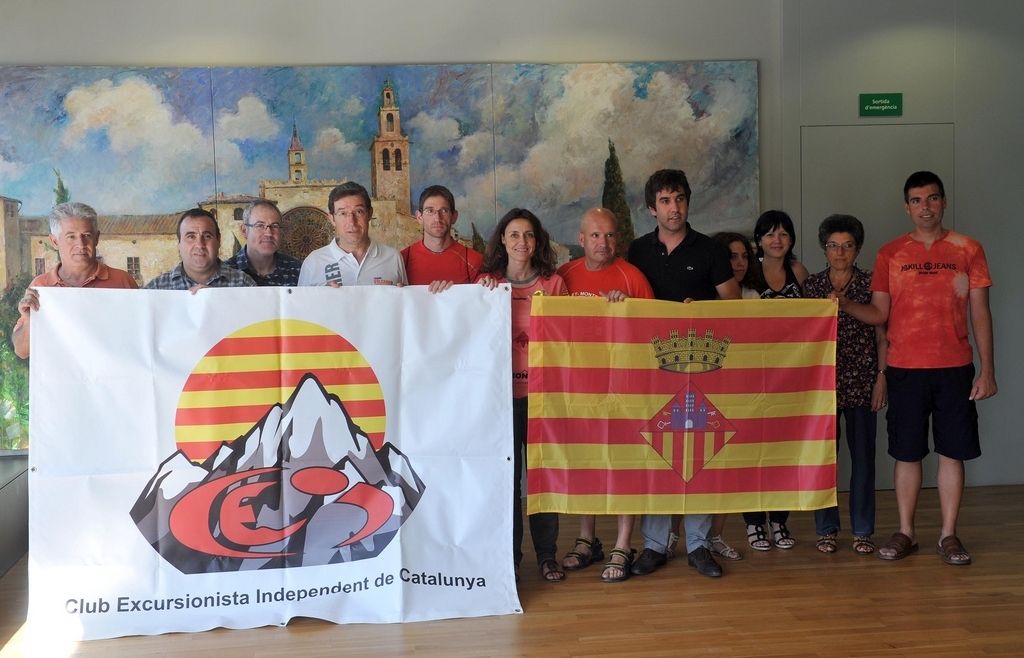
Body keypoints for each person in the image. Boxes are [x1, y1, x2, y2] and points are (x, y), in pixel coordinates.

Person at [840, 171, 996, 566]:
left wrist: (987, 369)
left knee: (951, 452)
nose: (924, 207)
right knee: (906, 453)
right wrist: (842, 304)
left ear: (943, 202)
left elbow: (980, 310)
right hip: (905, 367)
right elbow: (879, 313)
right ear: (906, 206)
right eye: (916, 200)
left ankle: (948, 535)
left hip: (955, 367)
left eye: (931, 199)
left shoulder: (968, 249)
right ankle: (906, 531)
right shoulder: (890, 254)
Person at [626, 169, 739, 579]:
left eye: (680, 199)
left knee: (700, 456)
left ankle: (698, 544)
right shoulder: (636, 251)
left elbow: (734, 307)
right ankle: (655, 544)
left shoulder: (709, 250)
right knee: (655, 455)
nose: (674, 208)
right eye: (665, 201)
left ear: (688, 202)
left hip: (701, 371)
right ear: (651, 208)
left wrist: (704, 309)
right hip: (650, 373)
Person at [556, 207, 653, 582]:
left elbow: (651, 331)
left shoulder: (632, 277)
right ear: (581, 240)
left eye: (610, 235)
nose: (603, 242)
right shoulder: (565, 275)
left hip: (624, 386)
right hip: (581, 385)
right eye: (595, 235)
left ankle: (624, 542)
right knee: (588, 461)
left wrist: (625, 310)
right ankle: (587, 538)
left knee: (623, 461)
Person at [478, 208, 567, 583]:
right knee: (508, 482)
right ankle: (510, 559)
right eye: (514, 235)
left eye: (529, 235)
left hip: (543, 397)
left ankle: (547, 557)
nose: (522, 243)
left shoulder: (555, 284)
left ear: (537, 241)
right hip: (501, 398)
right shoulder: (486, 283)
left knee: (543, 480)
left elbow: (569, 338)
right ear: (502, 240)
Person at [803, 215, 887, 555]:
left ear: (858, 248)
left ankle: (863, 530)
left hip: (863, 381)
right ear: (824, 249)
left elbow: (882, 333)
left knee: (864, 459)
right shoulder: (811, 286)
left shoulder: (871, 283)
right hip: (821, 386)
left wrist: (882, 378)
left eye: (847, 246)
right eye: (834, 246)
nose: (840, 253)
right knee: (825, 459)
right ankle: (826, 528)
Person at [742, 210, 808, 552]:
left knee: (784, 450)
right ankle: (754, 523)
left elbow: (813, 320)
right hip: (753, 379)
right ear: (759, 240)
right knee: (752, 450)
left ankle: (780, 520)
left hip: (791, 378)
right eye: (769, 234)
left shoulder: (798, 272)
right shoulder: (748, 275)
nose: (777, 240)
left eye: (783, 233)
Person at [11, 201, 138, 358]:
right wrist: (30, 320)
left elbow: (139, 340)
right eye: (71, 236)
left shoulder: (123, 281)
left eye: (87, 236)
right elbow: (22, 352)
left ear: (97, 238)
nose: (81, 244)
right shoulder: (40, 287)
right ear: (55, 241)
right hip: (61, 381)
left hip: (114, 379)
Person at [298, 182, 407, 287]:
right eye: (343, 213)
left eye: (359, 212)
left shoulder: (393, 258)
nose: (351, 222)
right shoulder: (313, 262)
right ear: (332, 219)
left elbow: (404, 304)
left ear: (369, 214)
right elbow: (301, 305)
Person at [145, 209, 256, 290]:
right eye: (191, 236)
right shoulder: (156, 288)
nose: (199, 244)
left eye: (207, 236)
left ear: (219, 240)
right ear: (178, 243)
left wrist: (219, 302)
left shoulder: (244, 284)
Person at [401, 185, 483, 285]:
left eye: (444, 210)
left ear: (454, 216)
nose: (437, 218)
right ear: (419, 217)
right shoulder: (402, 260)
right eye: (430, 211)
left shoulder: (474, 260)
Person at [225, 200, 301, 286]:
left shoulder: (297, 270)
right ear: (244, 230)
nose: (269, 233)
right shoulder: (226, 273)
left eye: (275, 226)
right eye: (260, 225)